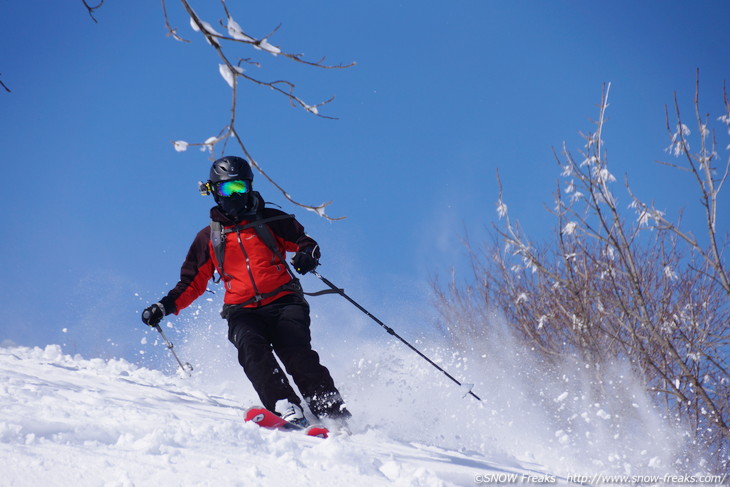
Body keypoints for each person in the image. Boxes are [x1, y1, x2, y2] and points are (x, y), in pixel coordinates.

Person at [141, 155, 351, 428]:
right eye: (226, 189)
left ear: (249, 187)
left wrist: (306, 254)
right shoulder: (210, 237)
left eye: (239, 187)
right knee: (252, 350)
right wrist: (164, 306)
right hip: (242, 310)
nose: (234, 195)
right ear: (214, 192)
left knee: (297, 353)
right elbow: (192, 282)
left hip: (284, 301)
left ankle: (332, 412)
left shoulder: (272, 219)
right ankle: (286, 407)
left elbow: (304, 242)